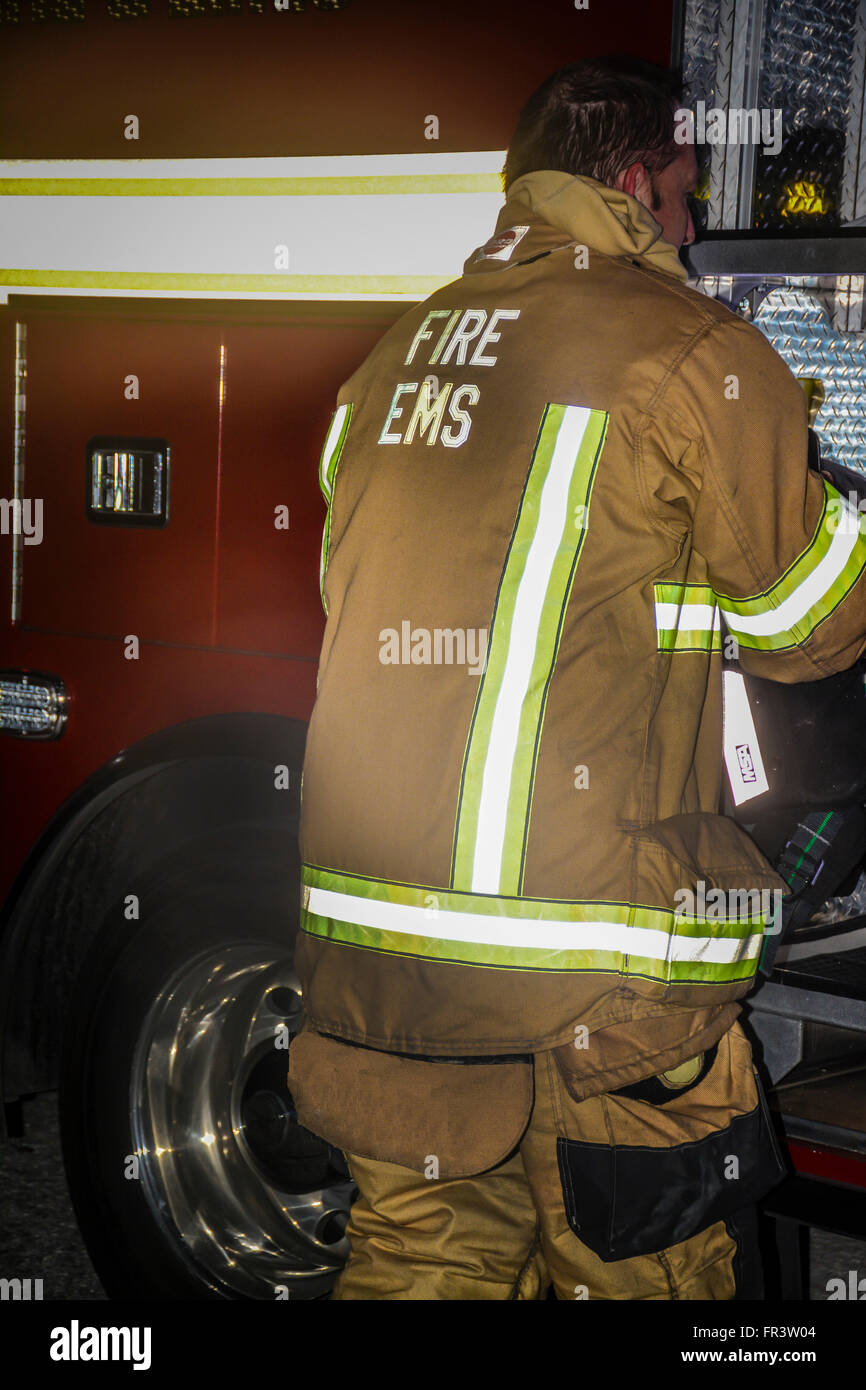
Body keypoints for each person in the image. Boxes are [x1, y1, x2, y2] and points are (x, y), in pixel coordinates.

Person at [287, 54, 866, 1299]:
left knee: (417, 1270)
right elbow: (811, 626)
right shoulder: (688, 352)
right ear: (634, 176)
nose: (697, 221)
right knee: (645, 1274)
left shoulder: (390, 360)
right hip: (594, 999)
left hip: (382, 979)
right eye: (688, 188)